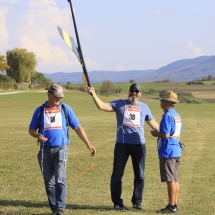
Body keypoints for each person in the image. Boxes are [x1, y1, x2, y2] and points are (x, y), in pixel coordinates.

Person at [88, 83, 159, 211]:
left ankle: (137, 202)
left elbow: (153, 124)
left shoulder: (144, 107)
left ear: (140, 94)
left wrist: (168, 134)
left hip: (139, 145)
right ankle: (117, 203)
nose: (134, 93)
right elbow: (102, 106)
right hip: (122, 145)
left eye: (136, 91)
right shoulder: (120, 104)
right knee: (117, 174)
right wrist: (93, 94)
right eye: (132, 90)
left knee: (140, 175)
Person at [29, 84, 96, 215]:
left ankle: (60, 208)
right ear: (49, 94)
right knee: (49, 182)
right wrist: (37, 135)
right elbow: (31, 129)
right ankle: (54, 208)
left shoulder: (66, 109)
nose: (59, 99)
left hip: (61, 149)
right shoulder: (40, 110)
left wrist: (88, 144)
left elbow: (77, 127)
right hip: (45, 150)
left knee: (60, 179)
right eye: (57, 97)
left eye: (61, 97)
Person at [150, 91, 182, 214]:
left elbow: (165, 134)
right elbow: (177, 135)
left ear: (167, 102)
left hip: (168, 151)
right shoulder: (177, 115)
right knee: (175, 178)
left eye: (162, 100)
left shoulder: (167, 116)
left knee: (170, 179)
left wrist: (155, 134)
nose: (160, 101)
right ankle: (175, 204)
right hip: (176, 150)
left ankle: (171, 206)